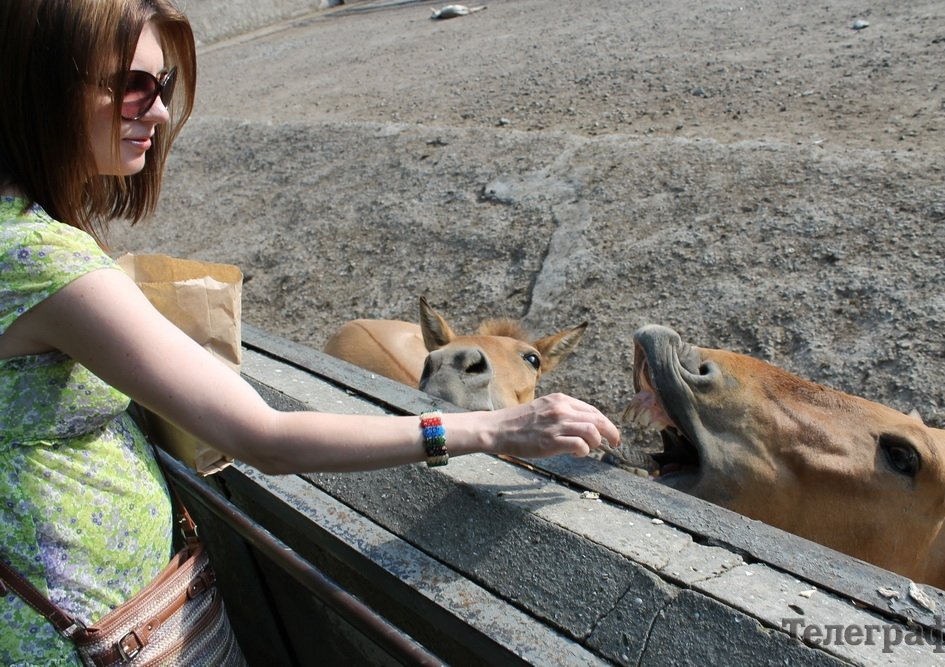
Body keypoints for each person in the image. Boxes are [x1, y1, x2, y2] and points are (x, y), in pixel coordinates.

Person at [0, 0, 620, 662]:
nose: (156, 112)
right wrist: (496, 430)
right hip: (97, 633)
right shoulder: (36, 256)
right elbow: (264, 438)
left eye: (164, 87)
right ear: (43, 85)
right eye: (132, 87)